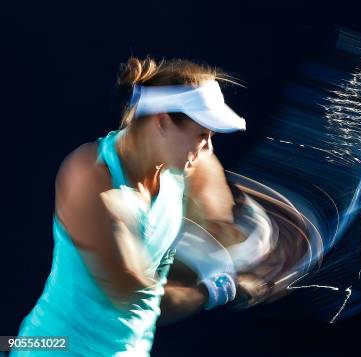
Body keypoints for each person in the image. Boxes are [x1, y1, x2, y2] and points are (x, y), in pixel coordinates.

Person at [12, 57, 246, 356]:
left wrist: (239, 246)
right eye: (203, 135)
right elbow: (129, 295)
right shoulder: (90, 177)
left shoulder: (190, 162)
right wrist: (214, 289)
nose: (209, 148)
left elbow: (221, 223)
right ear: (162, 121)